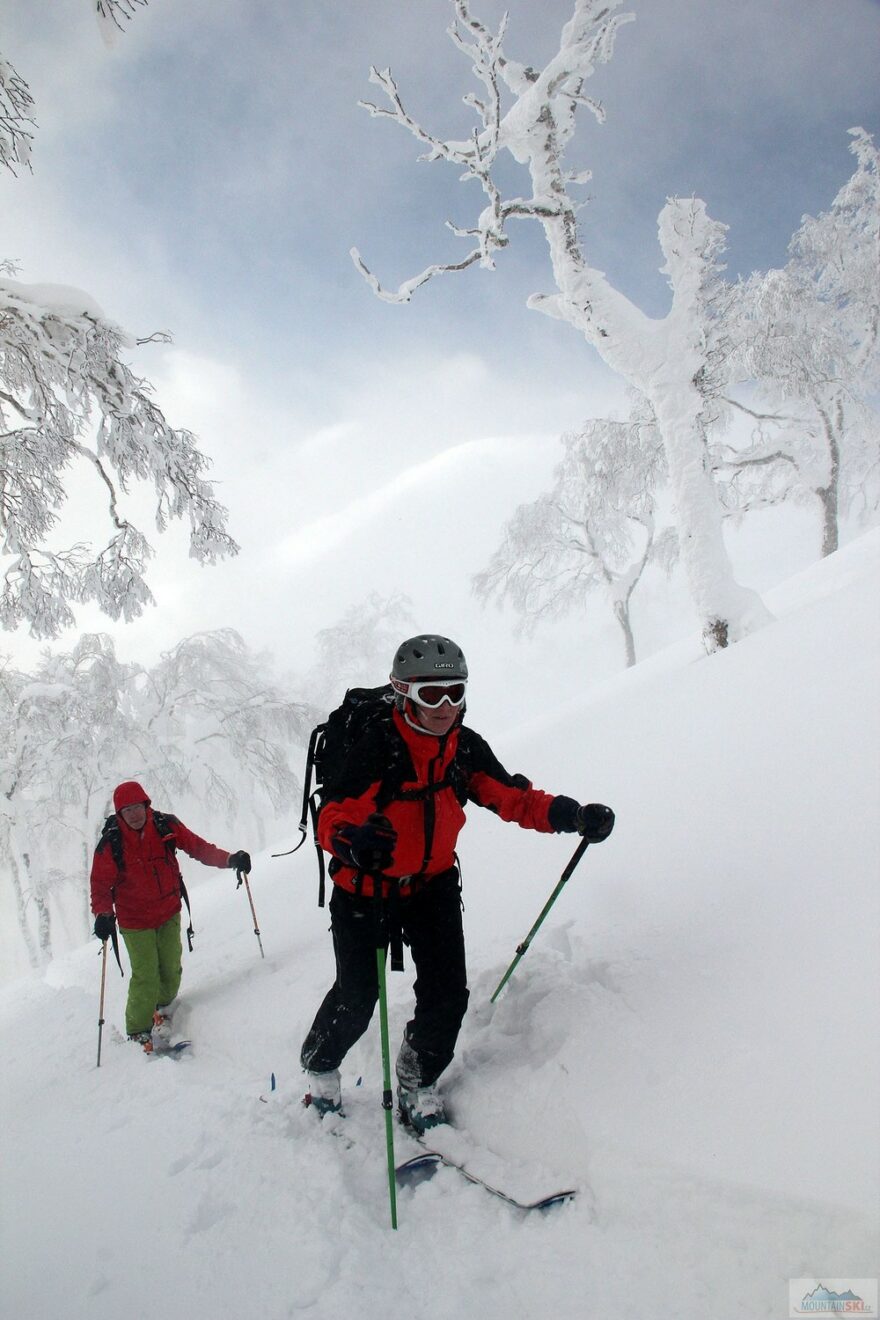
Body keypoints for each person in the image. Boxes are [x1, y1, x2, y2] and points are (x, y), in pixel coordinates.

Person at [300, 634, 615, 1131]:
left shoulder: (463, 748)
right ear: (403, 693)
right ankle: (320, 1066)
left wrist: (572, 815)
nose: (446, 706)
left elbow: (513, 797)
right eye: (432, 694)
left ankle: (417, 1077)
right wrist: (353, 841)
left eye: (455, 692)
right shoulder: (375, 745)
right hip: (367, 890)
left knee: (448, 996)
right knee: (357, 997)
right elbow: (333, 814)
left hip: (432, 885)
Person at [90, 779, 251, 1053]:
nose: (134, 814)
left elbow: (198, 847)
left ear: (146, 805)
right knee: (146, 976)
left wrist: (230, 859)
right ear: (120, 814)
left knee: (171, 972)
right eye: (127, 810)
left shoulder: (165, 825)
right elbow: (100, 884)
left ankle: (161, 1010)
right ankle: (138, 1030)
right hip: (135, 922)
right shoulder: (111, 844)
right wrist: (103, 915)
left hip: (168, 912)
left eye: (138, 807)